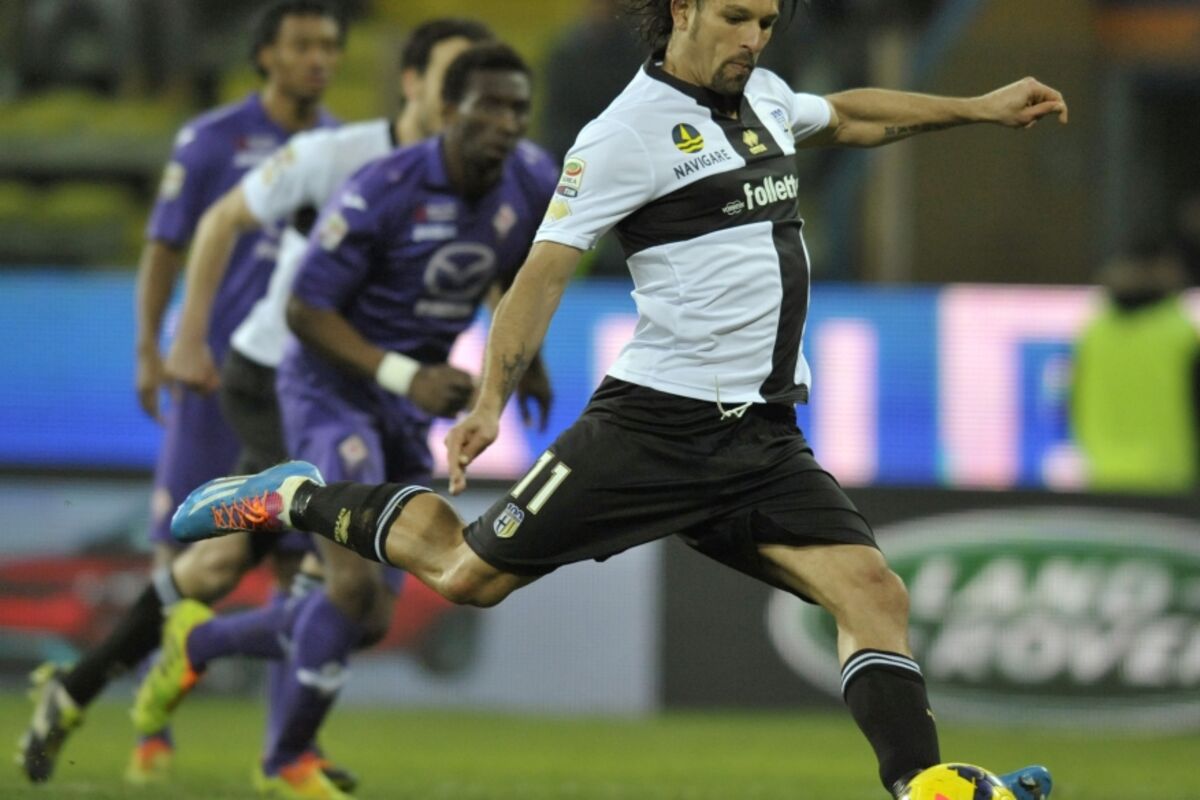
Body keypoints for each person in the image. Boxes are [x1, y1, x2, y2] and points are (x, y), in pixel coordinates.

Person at [172, 1, 1067, 798]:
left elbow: (850, 116)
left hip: (762, 437)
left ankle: (923, 785)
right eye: (736, 18)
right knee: (466, 576)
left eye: (766, 22)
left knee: (872, 590)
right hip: (652, 427)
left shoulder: (763, 97)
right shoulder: (623, 135)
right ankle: (297, 496)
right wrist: (489, 400)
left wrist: (979, 108)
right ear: (682, 11)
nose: (753, 39)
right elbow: (540, 275)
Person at [148, 40, 557, 799]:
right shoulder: (383, 186)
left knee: (370, 618)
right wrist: (405, 373)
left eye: (519, 109)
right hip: (332, 392)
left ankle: (201, 643)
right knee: (347, 588)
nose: (507, 123)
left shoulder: (532, 177)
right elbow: (305, 310)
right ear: (447, 108)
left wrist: (523, 360)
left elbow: (513, 267)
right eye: (490, 107)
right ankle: (286, 761)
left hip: (405, 407)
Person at [17, 0, 344, 787]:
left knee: (300, 569)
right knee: (184, 561)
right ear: (266, 55)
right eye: (302, 45)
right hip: (207, 382)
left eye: (330, 46)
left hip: (293, 389)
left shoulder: (342, 149)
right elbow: (163, 247)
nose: (319, 59)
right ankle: (151, 726)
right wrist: (154, 348)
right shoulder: (211, 141)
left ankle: (285, 748)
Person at [1072, 242, 1200, 492]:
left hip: (1104, 481)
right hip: (1174, 485)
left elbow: (1074, 405)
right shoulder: (1180, 334)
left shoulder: (1094, 333)